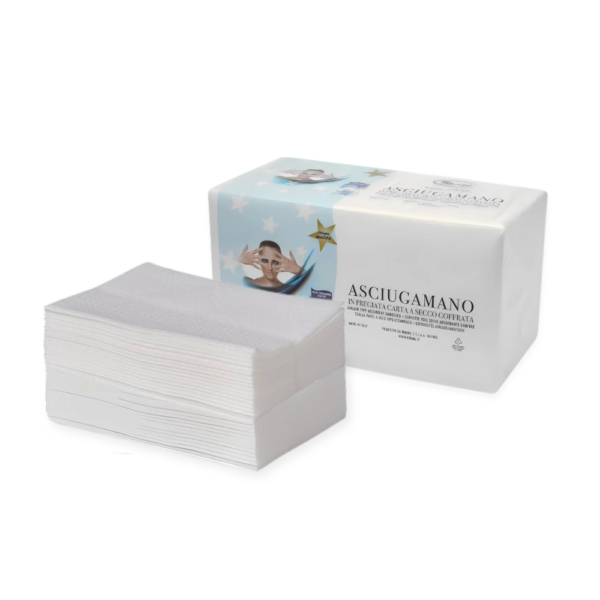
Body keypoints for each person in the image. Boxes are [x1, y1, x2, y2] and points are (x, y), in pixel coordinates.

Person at [237, 240, 303, 288]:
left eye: (275, 262)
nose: (270, 268)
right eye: (265, 261)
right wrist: (239, 259)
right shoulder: (248, 282)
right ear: (258, 260)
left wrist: (300, 271)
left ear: (281, 263)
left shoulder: (289, 289)